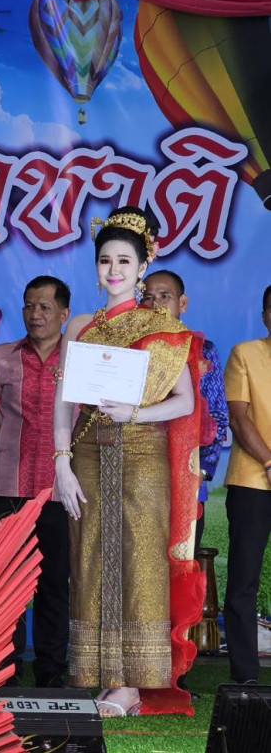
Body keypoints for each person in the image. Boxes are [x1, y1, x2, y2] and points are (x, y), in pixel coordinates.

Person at [53, 207, 202, 717]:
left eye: (123, 261)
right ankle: (102, 675)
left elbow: (184, 402)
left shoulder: (162, 327)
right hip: (89, 450)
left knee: (138, 557)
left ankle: (133, 685)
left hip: (142, 454)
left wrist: (135, 412)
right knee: (90, 556)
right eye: (105, 260)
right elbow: (65, 402)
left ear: (142, 267)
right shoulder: (79, 326)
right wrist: (61, 463)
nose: (113, 269)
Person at [0, 275, 72, 687]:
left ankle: (51, 672)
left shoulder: (79, 360)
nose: (35, 314)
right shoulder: (1, 357)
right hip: (8, 489)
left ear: (64, 314)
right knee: (5, 584)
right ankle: (5, 669)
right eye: (29, 306)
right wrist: (8, 453)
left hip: (62, 491)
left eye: (45, 307)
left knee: (55, 583)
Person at [142, 270, 229, 552]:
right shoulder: (132, 349)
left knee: (181, 561)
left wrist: (201, 471)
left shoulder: (203, 350)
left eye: (164, 296)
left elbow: (217, 416)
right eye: (147, 297)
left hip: (187, 477)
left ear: (182, 303)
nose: (155, 304)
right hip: (139, 475)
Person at [221, 284, 271, 686]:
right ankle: (246, 678)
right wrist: (269, 462)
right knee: (243, 580)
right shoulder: (245, 353)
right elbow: (238, 418)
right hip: (253, 481)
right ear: (264, 315)